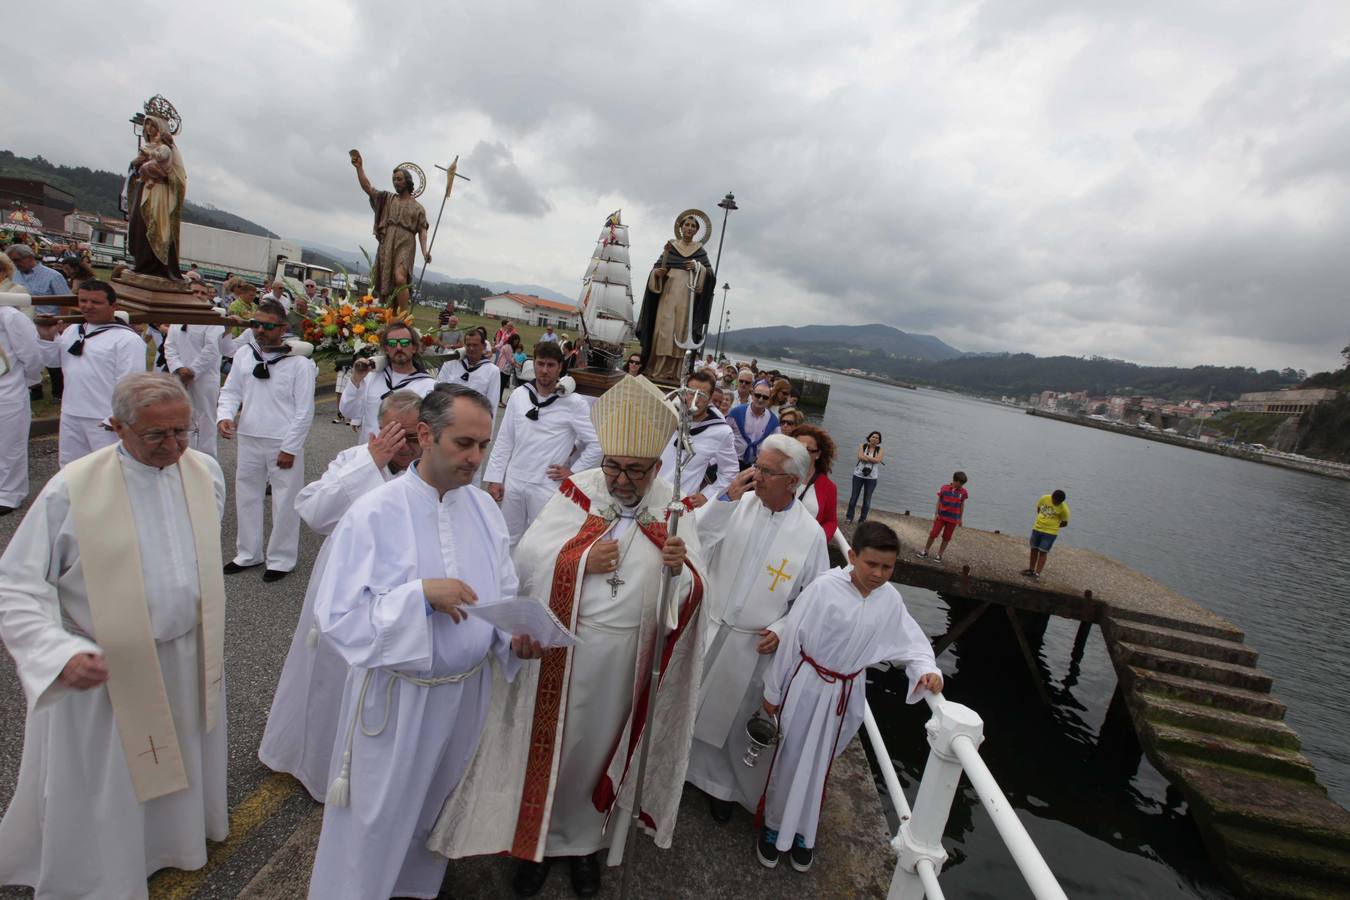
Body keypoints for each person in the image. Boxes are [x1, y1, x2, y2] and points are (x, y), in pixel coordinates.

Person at [427, 374, 708, 899]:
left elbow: (696, 592)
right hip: (565, 652)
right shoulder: (578, 491)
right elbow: (529, 560)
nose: (622, 480)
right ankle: (538, 845)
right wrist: (578, 561)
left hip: (628, 659)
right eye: (615, 467)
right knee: (556, 749)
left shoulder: (673, 508)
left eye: (636, 471)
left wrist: (679, 570)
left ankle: (582, 846)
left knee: (601, 752)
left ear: (657, 468)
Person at [0, 373, 227, 898]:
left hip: (187, 656)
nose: (173, 447)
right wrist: (57, 651)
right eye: (156, 436)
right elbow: (17, 582)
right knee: (109, 781)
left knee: (180, 758)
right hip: (106, 669)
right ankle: (102, 872)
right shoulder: (73, 489)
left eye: (182, 431)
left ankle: (174, 843)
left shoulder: (204, 472)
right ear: (118, 427)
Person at [308, 385, 539, 900]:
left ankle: (411, 891)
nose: (476, 458)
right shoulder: (375, 512)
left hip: (464, 697)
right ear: (424, 436)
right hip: (397, 701)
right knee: (375, 820)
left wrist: (513, 640)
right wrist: (418, 597)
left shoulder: (483, 509)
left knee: (432, 812)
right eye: (463, 443)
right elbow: (339, 617)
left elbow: (500, 593)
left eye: (483, 445)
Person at [258, 390, 424, 801]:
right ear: (378, 431)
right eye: (396, 435)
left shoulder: (427, 475)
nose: (406, 446)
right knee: (325, 673)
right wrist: (373, 463)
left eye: (415, 436)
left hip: (393, 592)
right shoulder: (355, 462)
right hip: (342, 584)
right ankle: (308, 759)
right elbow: (313, 512)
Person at [756, 521, 942, 872]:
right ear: (853, 556)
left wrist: (926, 672)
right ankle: (773, 827)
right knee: (791, 756)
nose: (879, 574)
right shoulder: (825, 589)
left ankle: (803, 832)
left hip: (845, 691)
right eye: (872, 564)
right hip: (808, 685)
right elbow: (792, 639)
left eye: (887, 567)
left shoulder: (889, 599)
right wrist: (774, 691)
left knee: (821, 763)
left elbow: (912, 643)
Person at [686, 435, 829, 823]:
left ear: (793, 482)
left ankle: (722, 788)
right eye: (757, 466)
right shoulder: (738, 503)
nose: (756, 475)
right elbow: (696, 541)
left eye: (767, 471)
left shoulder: (810, 534)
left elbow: (812, 597)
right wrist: (724, 501)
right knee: (691, 704)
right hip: (712, 624)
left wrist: (783, 627)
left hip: (753, 642)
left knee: (732, 719)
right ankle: (681, 772)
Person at [216, 299, 317, 582]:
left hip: (281, 440)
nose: (260, 330)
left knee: (284, 500)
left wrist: (290, 447)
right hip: (249, 436)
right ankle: (248, 552)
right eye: (255, 324)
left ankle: (281, 559)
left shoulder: (300, 362)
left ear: (283, 328)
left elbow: (304, 410)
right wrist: (224, 415)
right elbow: (231, 391)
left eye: (268, 326)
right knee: (246, 495)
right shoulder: (245, 355)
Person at [485, 341, 602, 546]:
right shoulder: (519, 396)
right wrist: (495, 477)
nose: (544, 370)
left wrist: (573, 472)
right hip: (515, 480)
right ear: (534, 364)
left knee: (542, 542)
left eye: (550, 365)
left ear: (559, 367)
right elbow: (505, 439)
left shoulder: (574, 403)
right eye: (540, 364)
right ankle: (507, 579)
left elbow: (597, 444)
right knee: (507, 539)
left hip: (547, 485)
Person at [36, 281, 148, 467]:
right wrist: (47, 337)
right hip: (72, 413)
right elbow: (54, 363)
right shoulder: (73, 330)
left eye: (96, 302)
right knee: (70, 469)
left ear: (113, 306)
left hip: (103, 418)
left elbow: (132, 383)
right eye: (83, 301)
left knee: (107, 469)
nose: (88, 306)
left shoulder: (127, 339)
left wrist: (116, 418)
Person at [636, 212, 716, 382]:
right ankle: (656, 368)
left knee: (680, 332)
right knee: (663, 330)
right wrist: (658, 273)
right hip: (668, 296)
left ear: (697, 231)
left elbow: (710, 275)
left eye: (693, 226)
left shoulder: (699, 252)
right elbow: (657, 270)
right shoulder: (670, 248)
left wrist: (698, 267)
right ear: (680, 227)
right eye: (687, 225)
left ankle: (677, 371)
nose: (689, 228)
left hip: (687, 299)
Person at [350, 150, 429, 314]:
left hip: (406, 241)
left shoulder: (418, 208)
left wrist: (424, 250)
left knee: (400, 277)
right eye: (394, 179)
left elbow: (422, 229)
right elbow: (367, 187)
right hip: (388, 240)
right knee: (387, 281)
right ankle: (389, 314)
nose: (396, 182)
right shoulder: (387, 199)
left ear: (407, 182)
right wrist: (359, 168)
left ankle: (404, 316)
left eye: (399, 179)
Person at [164, 279, 229, 457]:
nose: (199, 295)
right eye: (195, 292)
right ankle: (183, 456)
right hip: (180, 377)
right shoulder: (178, 316)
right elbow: (169, 346)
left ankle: (207, 461)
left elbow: (211, 348)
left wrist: (192, 371)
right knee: (182, 418)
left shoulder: (212, 318)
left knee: (205, 420)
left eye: (202, 293)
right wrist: (178, 369)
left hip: (204, 378)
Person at [340, 321, 436, 441]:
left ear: (414, 348)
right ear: (386, 348)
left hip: (403, 456)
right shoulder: (371, 377)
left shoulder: (429, 386)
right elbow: (348, 412)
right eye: (392, 343)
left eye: (405, 343)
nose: (399, 347)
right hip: (368, 453)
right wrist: (356, 379)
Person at [0, 254, 43, 515]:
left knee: (9, 444)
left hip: (7, 389)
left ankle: (9, 493)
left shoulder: (10, 315)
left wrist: (28, 381)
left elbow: (32, 356)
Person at [658, 367, 737, 508]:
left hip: (682, 505)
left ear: (711, 397)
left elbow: (730, 472)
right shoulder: (666, 417)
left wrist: (707, 495)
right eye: (691, 393)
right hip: (649, 497)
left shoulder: (721, 431)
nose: (695, 400)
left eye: (701, 395)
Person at [126, 114, 187, 280]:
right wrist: (138, 164)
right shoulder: (148, 147)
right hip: (144, 187)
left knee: (155, 224)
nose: (149, 130)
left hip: (160, 193)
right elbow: (135, 167)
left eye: (153, 126)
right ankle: (142, 262)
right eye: (147, 126)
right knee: (139, 222)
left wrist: (159, 172)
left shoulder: (168, 150)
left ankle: (154, 264)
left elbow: (178, 177)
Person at [7, 244, 70, 402]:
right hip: (23, 324)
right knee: (27, 357)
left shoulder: (53, 276)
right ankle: (35, 390)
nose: (14, 264)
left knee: (53, 360)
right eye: (12, 261)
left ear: (29, 258)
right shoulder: (14, 275)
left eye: (17, 260)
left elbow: (65, 301)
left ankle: (58, 392)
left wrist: (62, 325)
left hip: (48, 324)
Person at [436, 329, 501, 425]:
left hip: (473, 424)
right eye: (468, 345)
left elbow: (492, 405)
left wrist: (488, 436)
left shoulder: (492, 371)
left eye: (475, 345)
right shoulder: (451, 362)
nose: (471, 348)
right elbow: (438, 390)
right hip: (448, 420)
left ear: (483, 346)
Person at [793, 424, 840, 543]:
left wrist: (819, 540)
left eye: (808, 450)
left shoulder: (828, 487)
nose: (802, 454)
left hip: (804, 546)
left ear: (818, 454)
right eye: (797, 447)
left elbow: (831, 521)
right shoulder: (776, 474)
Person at [727, 381, 780, 470]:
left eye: (765, 397)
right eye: (757, 395)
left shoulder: (773, 421)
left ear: (769, 399)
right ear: (752, 394)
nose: (760, 399)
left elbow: (775, 445)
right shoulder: (736, 412)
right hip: (732, 460)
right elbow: (724, 433)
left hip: (756, 466)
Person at [918, 472, 969, 562]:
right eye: (960, 483)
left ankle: (939, 555)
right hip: (941, 516)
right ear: (955, 481)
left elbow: (962, 505)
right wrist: (936, 513)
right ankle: (925, 551)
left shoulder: (963, 492)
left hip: (953, 519)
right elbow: (939, 500)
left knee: (946, 537)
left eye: (963, 484)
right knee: (933, 533)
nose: (961, 485)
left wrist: (960, 519)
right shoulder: (944, 488)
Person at [1023, 489, 1069, 579]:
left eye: (1058, 502)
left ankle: (1037, 574)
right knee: (1034, 549)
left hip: (1050, 532)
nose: (1055, 503)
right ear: (1052, 497)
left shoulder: (1064, 510)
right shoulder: (1044, 498)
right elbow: (1039, 509)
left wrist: (1052, 526)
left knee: (1043, 552)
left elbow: (1064, 523)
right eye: (1054, 500)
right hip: (1037, 528)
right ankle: (1031, 570)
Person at [845, 431, 884, 523]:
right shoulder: (862, 446)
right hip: (858, 475)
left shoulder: (880, 450)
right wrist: (872, 460)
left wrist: (866, 458)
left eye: (877, 438)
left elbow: (878, 460)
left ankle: (862, 519)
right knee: (854, 497)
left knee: (867, 500)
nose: (874, 439)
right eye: (873, 437)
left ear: (879, 441)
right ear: (869, 438)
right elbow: (860, 457)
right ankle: (849, 517)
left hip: (872, 478)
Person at [494, 331, 519, 399]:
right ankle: (499, 400)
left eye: (517, 341)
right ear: (512, 340)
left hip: (507, 369)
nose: (516, 342)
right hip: (503, 368)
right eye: (515, 341)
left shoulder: (511, 348)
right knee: (501, 385)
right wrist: (517, 365)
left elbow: (512, 358)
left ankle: (499, 399)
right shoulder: (508, 347)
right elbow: (509, 358)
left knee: (503, 385)